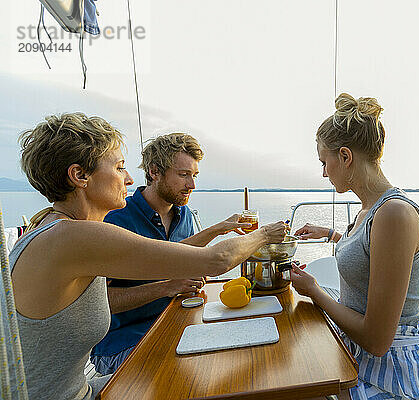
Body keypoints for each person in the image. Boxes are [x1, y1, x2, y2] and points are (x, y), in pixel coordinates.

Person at [9, 113, 286, 400]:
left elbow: (173, 256)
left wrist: (218, 228)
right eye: (119, 167)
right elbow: (217, 261)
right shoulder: (72, 237)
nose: (129, 178)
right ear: (80, 176)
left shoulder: (59, 231)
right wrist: (265, 234)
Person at [291, 93, 419, 400]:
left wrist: (315, 291)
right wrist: (330, 233)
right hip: (357, 356)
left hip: (391, 373)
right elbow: (367, 252)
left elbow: (377, 339)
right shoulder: (367, 211)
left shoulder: (394, 214)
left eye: (324, 162)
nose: (323, 173)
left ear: (345, 157)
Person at [91, 132, 249, 375]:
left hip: (179, 326)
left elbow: (190, 267)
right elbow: (100, 303)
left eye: (194, 175)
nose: (192, 185)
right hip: (124, 341)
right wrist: (167, 287)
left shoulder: (186, 217)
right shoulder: (115, 220)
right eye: (183, 175)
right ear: (155, 172)